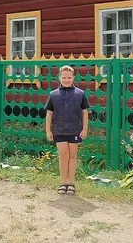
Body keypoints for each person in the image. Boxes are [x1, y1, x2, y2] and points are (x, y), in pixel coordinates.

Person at [45, 65, 89, 195]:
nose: (66, 80)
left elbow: (85, 112)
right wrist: (48, 130)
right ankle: (63, 182)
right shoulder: (53, 95)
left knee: (72, 155)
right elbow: (49, 114)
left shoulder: (80, 94)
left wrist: (85, 129)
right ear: (59, 78)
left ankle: (71, 183)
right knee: (63, 155)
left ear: (73, 78)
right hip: (59, 129)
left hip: (75, 129)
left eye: (69, 77)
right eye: (63, 77)